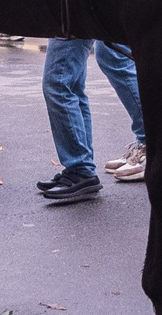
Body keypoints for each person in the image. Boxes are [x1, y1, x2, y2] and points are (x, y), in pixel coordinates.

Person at [38, 41, 147, 201]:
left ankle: (80, 169)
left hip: (75, 15)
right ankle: (157, 144)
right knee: (110, 58)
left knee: (59, 82)